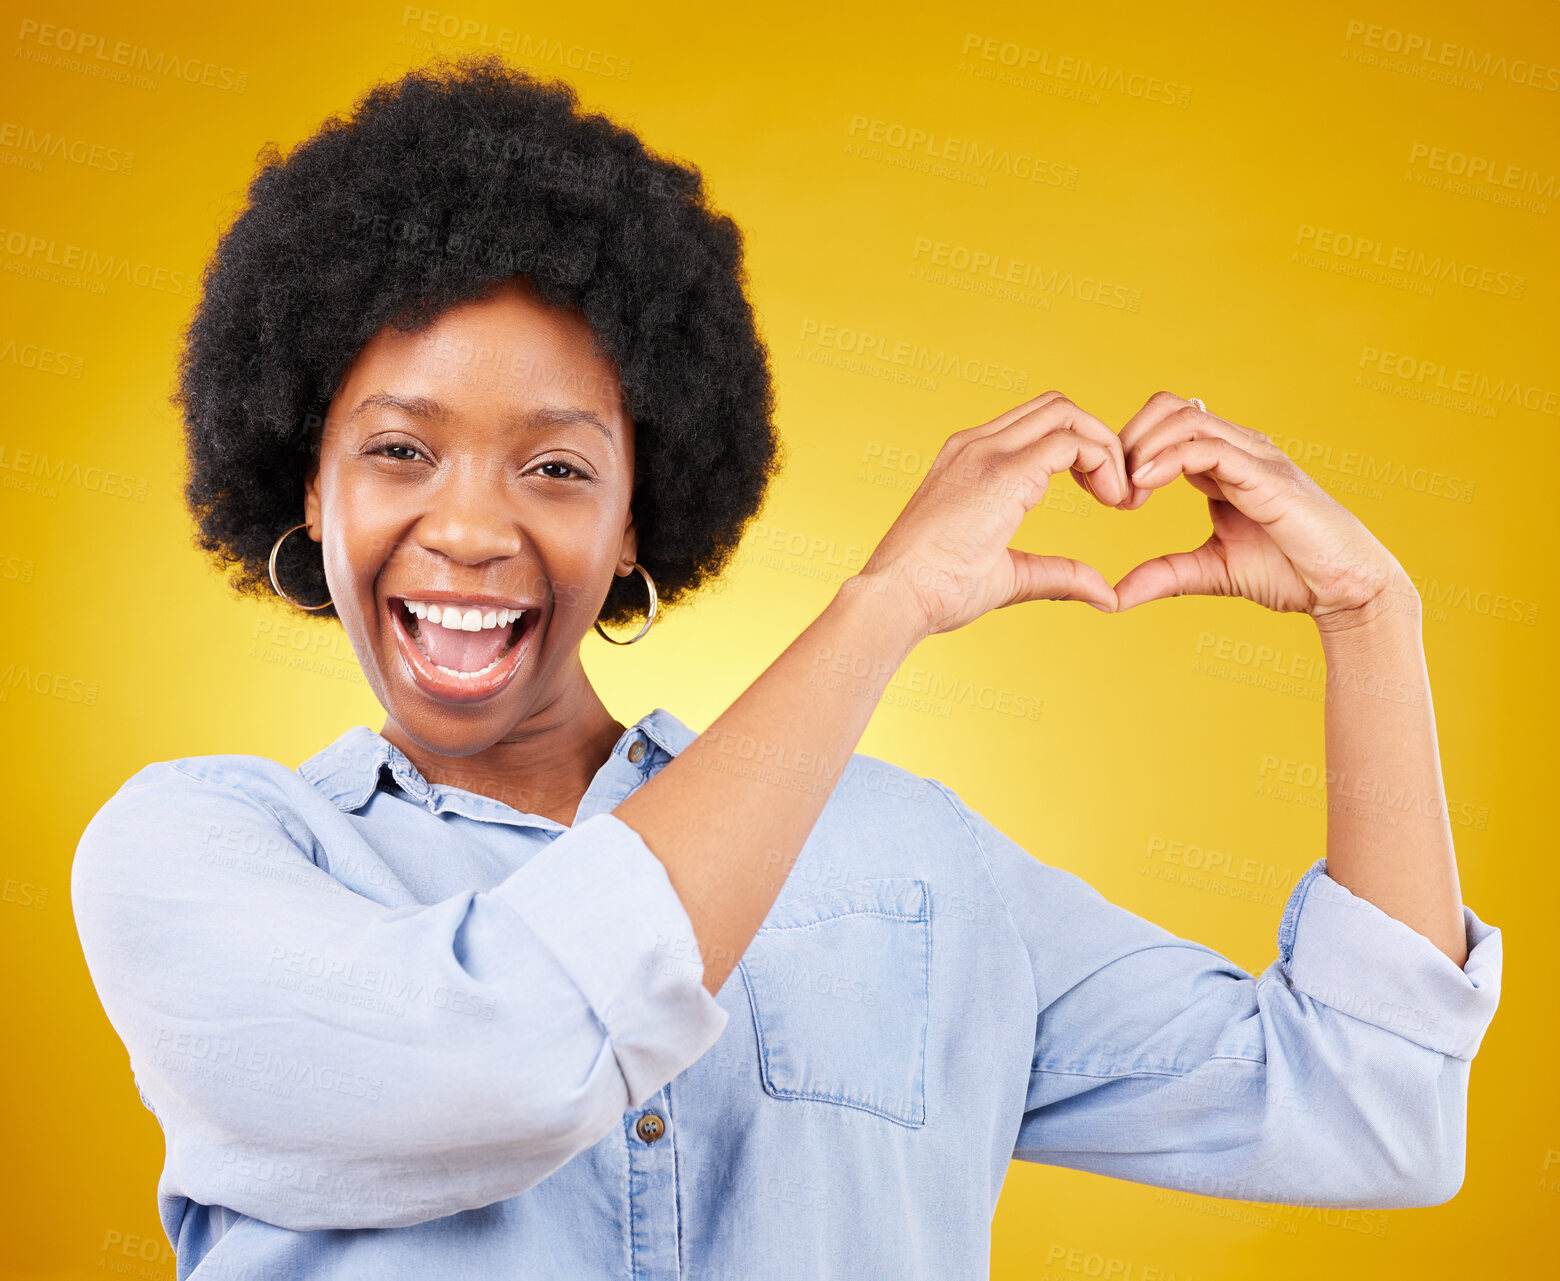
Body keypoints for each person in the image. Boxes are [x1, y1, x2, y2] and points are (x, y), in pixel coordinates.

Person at [71, 53, 1502, 1281]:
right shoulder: (199, 855)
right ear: (304, 493)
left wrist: (1372, 619)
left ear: (640, 515)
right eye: (397, 451)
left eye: (557, 465)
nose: (468, 528)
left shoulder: (917, 860)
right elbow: (505, 1058)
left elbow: (1369, 1107)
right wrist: (878, 612)